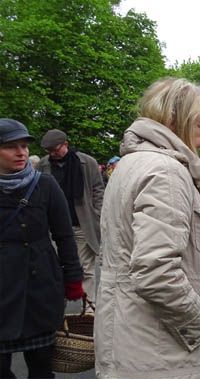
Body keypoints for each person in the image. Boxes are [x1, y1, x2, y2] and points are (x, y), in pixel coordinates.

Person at [95, 78, 200, 378]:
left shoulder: (132, 164)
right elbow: (155, 272)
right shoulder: (165, 172)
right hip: (162, 350)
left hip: (135, 339)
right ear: (176, 120)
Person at [0, 119, 83, 379]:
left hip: (41, 287)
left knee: (41, 367)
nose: (21, 152)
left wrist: (73, 279)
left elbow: (65, 236)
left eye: (24, 146)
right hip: (1, 289)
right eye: (11, 147)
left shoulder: (44, 185)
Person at [38, 129, 104, 307]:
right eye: (49, 150)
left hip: (82, 223)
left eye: (56, 149)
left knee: (86, 267)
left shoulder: (87, 162)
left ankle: (88, 308)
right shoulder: (43, 165)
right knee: (58, 266)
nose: (53, 153)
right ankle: (61, 308)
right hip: (55, 227)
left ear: (66, 144)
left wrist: (97, 213)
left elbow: (98, 189)